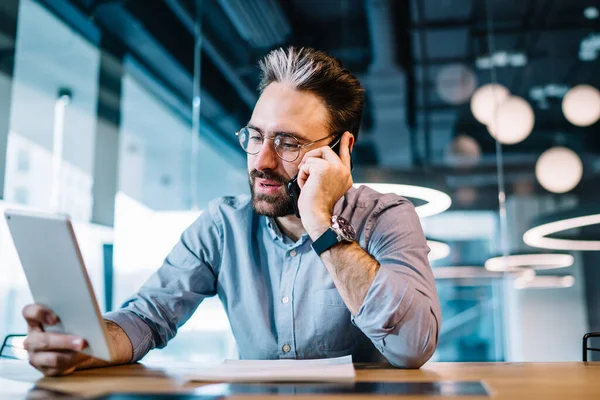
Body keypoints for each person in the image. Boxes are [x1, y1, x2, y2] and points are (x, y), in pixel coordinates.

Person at [22, 46, 441, 376]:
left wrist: (321, 225)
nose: (262, 160)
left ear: (340, 149)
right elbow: (147, 319)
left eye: (289, 143)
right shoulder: (224, 226)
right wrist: (84, 346)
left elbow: (411, 348)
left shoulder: (387, 218)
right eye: (256, 137)